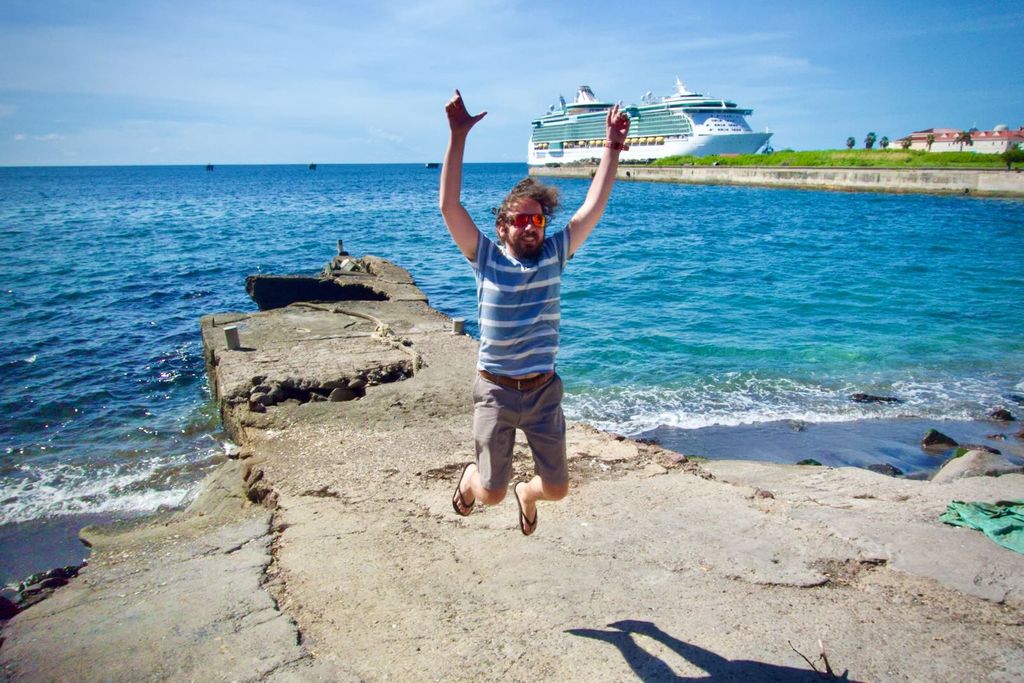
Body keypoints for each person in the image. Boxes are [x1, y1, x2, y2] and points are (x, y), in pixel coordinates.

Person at [441, 89, 629, 535]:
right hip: (496, 391)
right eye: (520, 220)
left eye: (537, 219)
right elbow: (450, 206)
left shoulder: (555, 254)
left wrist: (613, 147)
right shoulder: (485, 257)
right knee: (490, 494)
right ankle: (471, 479)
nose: (530, 226)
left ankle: (529, 493)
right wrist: (457, 136)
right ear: (502, 226)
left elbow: (593, 205)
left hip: (544, 391)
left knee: (559, 488)